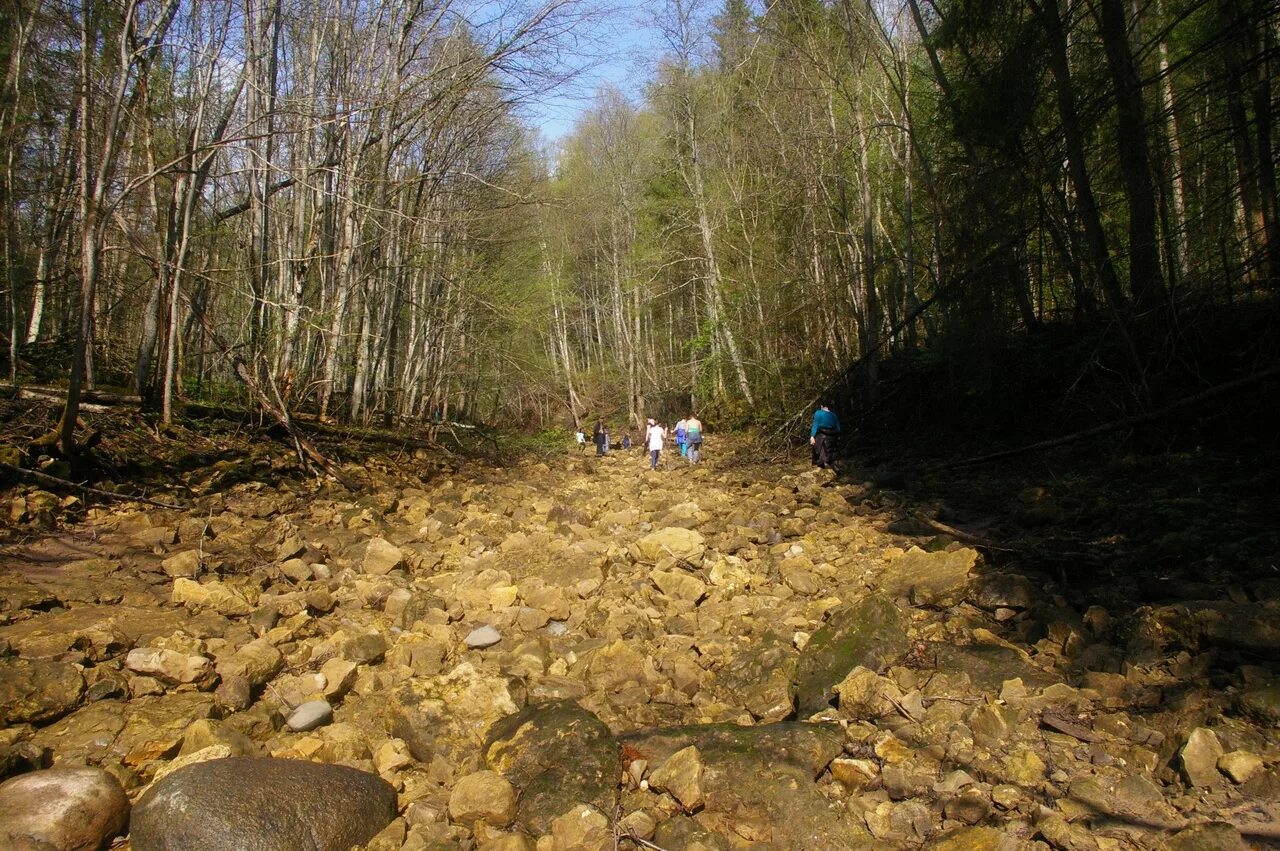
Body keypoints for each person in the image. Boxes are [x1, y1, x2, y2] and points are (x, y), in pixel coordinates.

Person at [810, 402, 841, 468]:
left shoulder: (818, 413)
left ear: (821, 406)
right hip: (832, 436)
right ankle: (832, 465)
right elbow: (838, 428)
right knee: (830, 455)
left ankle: (822, 466)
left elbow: (815, 425)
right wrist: (837, 436)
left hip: (822, 437)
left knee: (819, 453)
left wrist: (812, 436)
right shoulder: (833, 415)